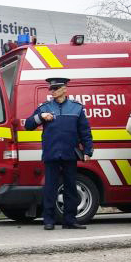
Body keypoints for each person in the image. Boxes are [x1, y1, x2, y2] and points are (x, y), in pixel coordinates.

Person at [24, 77, 93, 230]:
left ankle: (70, 220)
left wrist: (88, 150)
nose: (52, 92)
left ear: (64, 89)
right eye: (51, 89)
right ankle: (48, 220)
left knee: (70, 188)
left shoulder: (76, 108)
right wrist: (40, 117)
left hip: (70, 153)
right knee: (50, 188)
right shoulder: (45, 108)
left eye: (55, 89)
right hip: (51, 153)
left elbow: (85, 131)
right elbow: (27, 125)